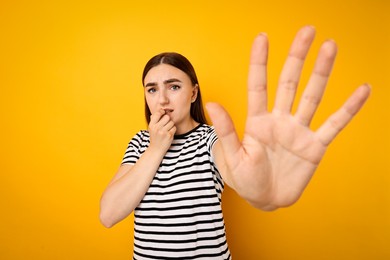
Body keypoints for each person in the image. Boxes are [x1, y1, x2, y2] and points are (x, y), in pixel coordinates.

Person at [99, 26, 371, 259]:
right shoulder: (139, 143)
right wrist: (156, 147)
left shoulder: (209, 139)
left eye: (174, 86)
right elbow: (109, 214)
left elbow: (234, 170)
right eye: (152, 89)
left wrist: (261, 188)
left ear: (193, 93)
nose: (162, 100)